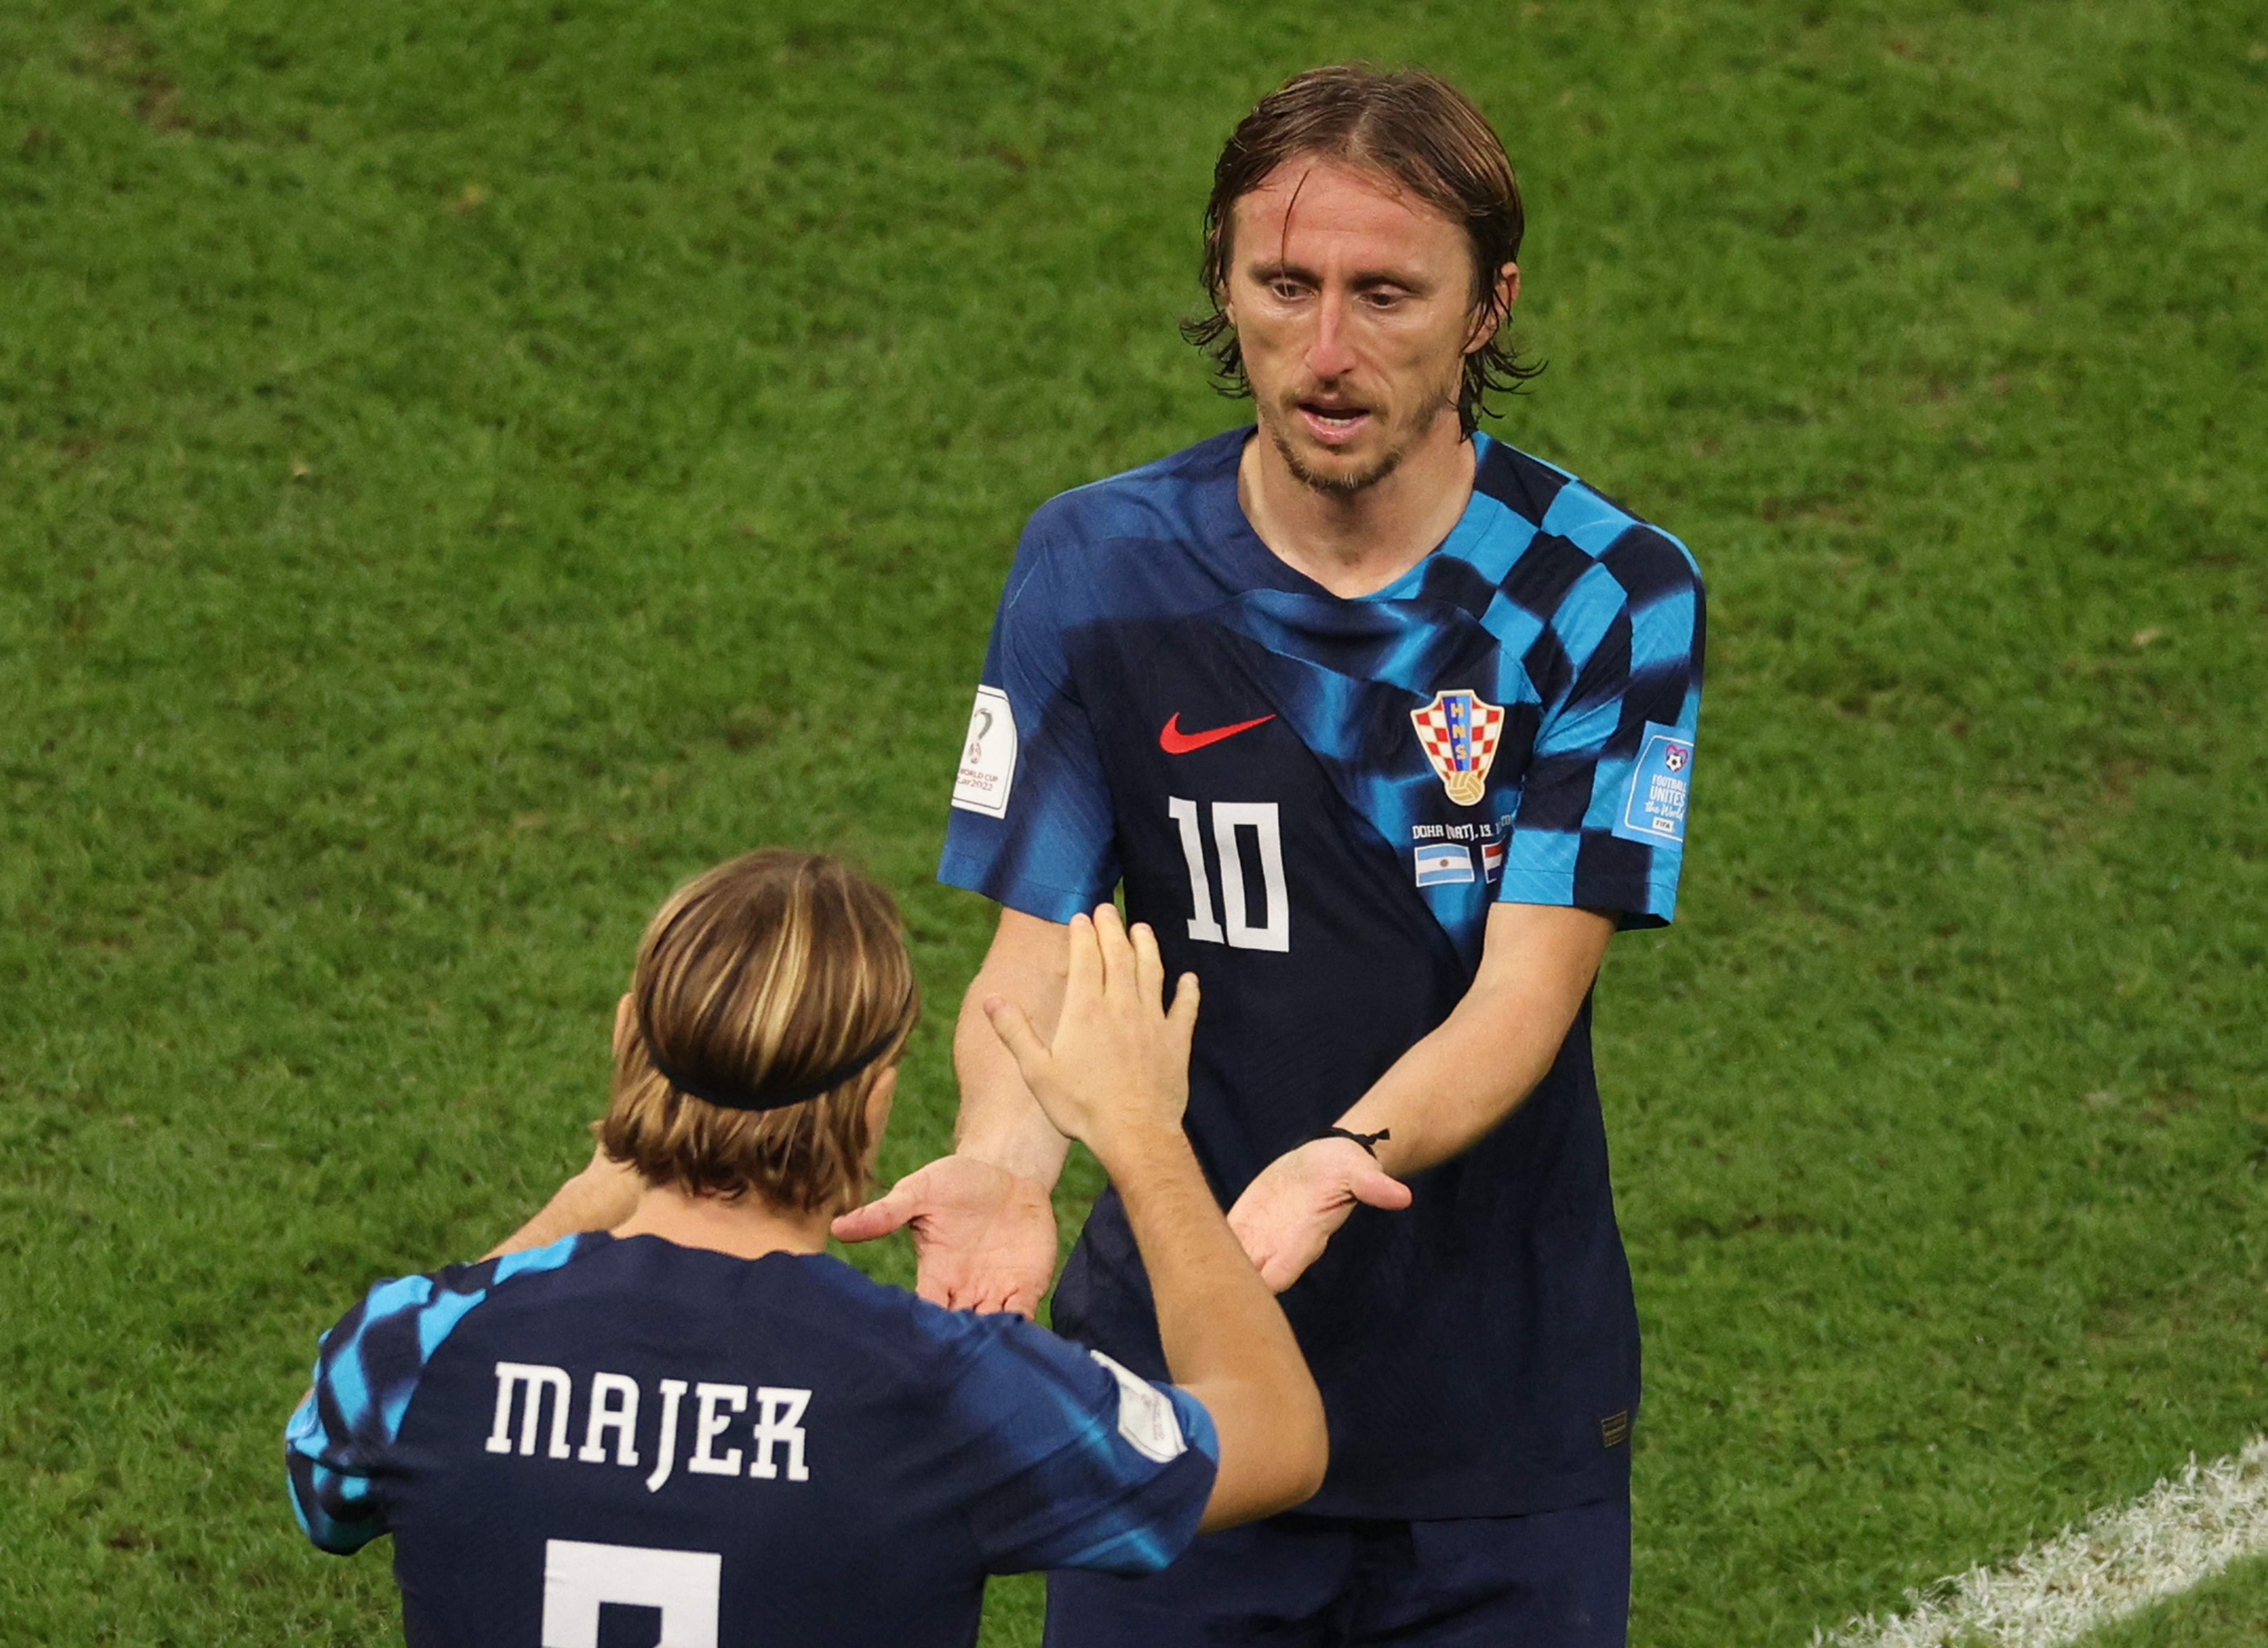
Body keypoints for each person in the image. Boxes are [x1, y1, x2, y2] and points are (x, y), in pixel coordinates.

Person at [832, 64, 1704, 1647]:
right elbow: (1040, 962)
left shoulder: (1599, 596)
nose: (1326, 351)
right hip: (1175, 1409)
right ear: (1223, 285)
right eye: (1282, 286)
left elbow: (1526, 995)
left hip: (1494, 1421)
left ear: (1490, 305)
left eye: (1387, 294)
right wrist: (1005, 1166)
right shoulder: (1097, 568)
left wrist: (1342, 1155)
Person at [283, 849, 1326, 1647]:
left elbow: (322, 1489)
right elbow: (1278, 1437)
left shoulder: (408, 1354)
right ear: (875, 1103)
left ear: (623, 1044)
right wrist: (1144, 1135)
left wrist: (589, 1194)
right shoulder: (947, 1390)